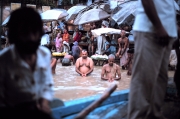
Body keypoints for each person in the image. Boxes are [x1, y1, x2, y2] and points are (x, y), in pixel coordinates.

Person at [0, 7, 54, 119]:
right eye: (25, 33)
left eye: (34, 32)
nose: (31, 38)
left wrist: (44, 103)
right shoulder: (3, 61)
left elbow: (47, 86)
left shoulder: (45, 54)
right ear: (14, 35)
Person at [127, 0, 177, 119]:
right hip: (151, 30)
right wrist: (159, 27)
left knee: (160, 78)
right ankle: (137, 116)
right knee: (143, 79)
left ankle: (154, 114)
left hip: (166, 32)